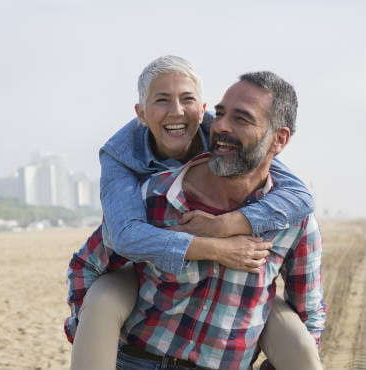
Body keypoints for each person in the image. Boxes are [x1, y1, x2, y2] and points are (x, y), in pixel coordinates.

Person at [66, 56, 321, 370]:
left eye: (241, 118)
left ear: (201, 112)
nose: (221, 126)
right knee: (105, 296)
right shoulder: (149, 192)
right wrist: (89, 332)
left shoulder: (291, 216)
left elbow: (308, 316)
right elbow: (97, 258)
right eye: (222, 115)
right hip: (138, 359)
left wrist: (227, 224)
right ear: (141, 114)